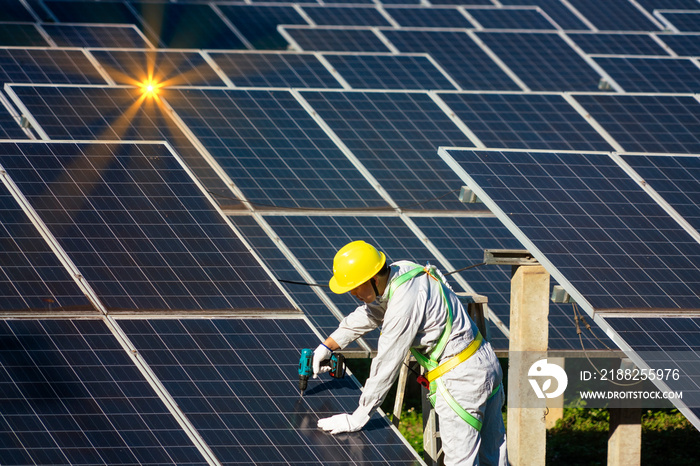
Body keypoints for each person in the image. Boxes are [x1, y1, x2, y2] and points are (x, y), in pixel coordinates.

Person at [314, 240, 507, 466]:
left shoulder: (403, 306)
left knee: (461, 462)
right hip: (484, 363)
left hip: (462, 380)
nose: (352, 292)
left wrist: (359, 416)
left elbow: (387, 363)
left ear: (373, 279)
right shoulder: (403, 271)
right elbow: (370, 314)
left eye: (355, 286)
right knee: (494, 458)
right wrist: (328, 345)